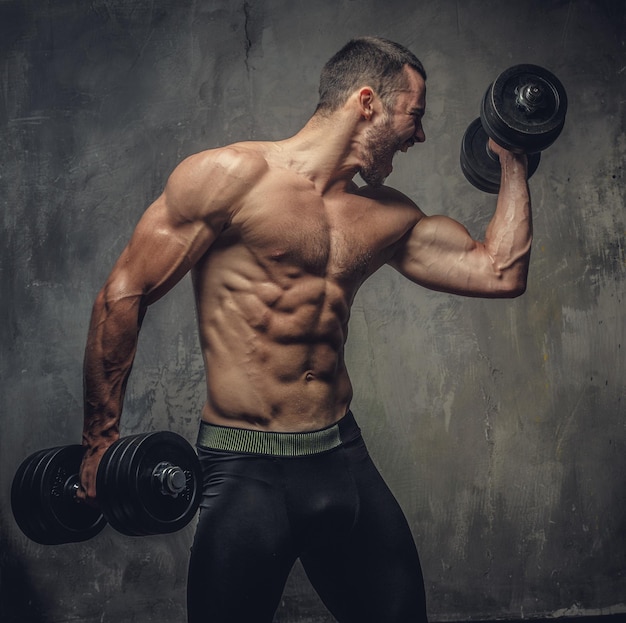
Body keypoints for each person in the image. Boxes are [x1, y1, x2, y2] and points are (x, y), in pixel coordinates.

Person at [78, 36, 531, 623]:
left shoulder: (386, 214)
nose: (420, 136)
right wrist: (98, 440)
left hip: (341, 462)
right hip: (245, 472)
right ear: (367, 102)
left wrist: (516, 155)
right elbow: (123, 296)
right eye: (415, 115)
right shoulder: (229, 177)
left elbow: (501, 271)